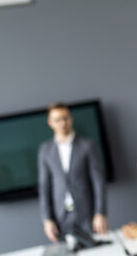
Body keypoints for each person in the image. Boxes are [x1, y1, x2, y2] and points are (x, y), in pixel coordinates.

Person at [38, 102, 108, 242]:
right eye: (58, 120)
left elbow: (98, 181)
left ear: (71, 119)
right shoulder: (45, 150)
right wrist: (47, 219)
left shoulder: (87, 145)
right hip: (60, 217)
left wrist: (100, 212)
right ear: (50, 122)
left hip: (87, 214)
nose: (63, 123)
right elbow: (44, 187)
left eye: (65, 118)